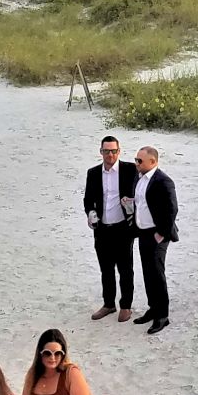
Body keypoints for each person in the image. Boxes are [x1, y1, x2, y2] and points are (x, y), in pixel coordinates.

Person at [84, 134, 138, 321]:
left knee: (125, 268)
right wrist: (90, 214)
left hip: (123, 228)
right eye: (106, 151)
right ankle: (108, 304)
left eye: (113, 151)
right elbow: (88, 200)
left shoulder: (130, 170)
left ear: (119, 151)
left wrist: (132, 204)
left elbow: (142, 193)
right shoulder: (93, 173)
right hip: (102, 229)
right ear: (101, 152)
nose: (110, 155)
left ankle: (126, 306)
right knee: (105, 268)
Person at [133, 145, 181, 334]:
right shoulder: (139, 178)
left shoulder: (164, 181)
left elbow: (172, 209)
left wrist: (161, 233)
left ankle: (162, 315)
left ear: (152, 162)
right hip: (143, 231)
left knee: (157, 273)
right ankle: (153, 309)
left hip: (158, 234)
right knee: (147, 271)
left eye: (140, 161)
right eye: (136, 160)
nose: (136, 163)